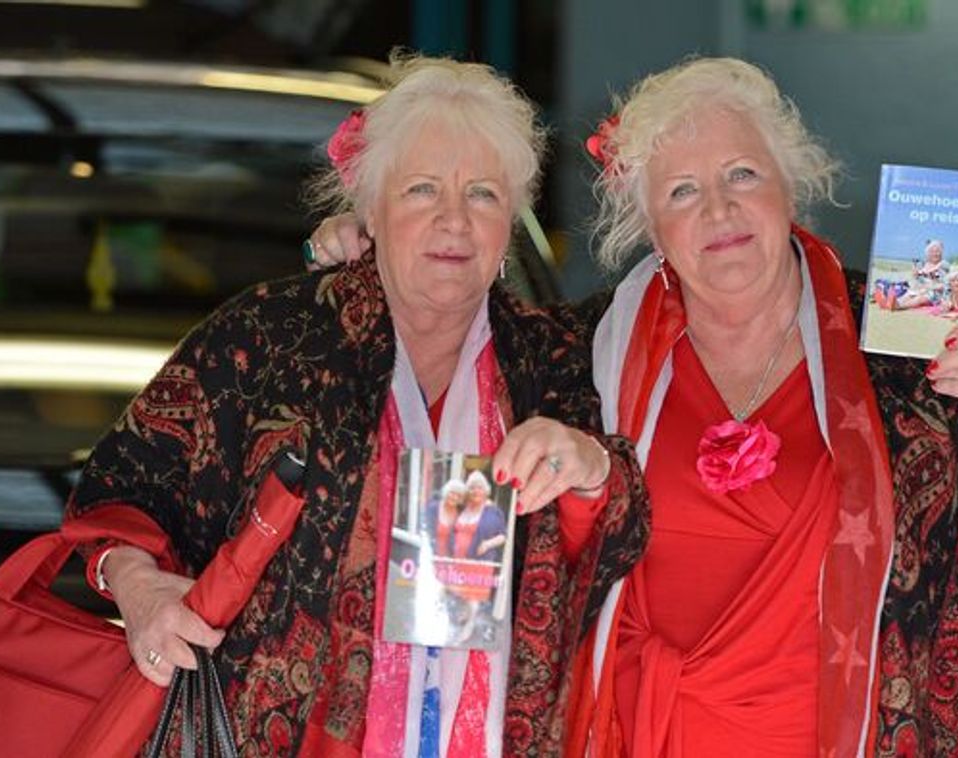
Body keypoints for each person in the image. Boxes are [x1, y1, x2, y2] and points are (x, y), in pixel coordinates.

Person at [306, 58, 958, 757]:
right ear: (649, 225)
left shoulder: (902, 351)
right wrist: (381, 252)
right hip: (634, 733)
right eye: (682, 191)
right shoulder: (585, 356)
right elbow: (449, 356)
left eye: (741, 176)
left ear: (791, 187)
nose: (719, 211)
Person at [66, 54, 648, 757]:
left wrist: (589, 470)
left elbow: (621, 534)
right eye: (422, 190)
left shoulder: (554, 360)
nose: (454, 220)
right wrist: (139, 591)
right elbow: (124, 485)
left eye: (483, 194)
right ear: (370, 208)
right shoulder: (271, 338)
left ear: (511, 225)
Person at [873, 238, 950, 310]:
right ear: (928, 253)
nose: (935, 254)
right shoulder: (924, 264)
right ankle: (889, 303)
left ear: (941, 253)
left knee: (920, 298)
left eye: (937, 251)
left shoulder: (943, 265)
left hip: (936, 292)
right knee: (909, 294)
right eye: (932, 251)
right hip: (921, 289)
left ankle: (898, 306)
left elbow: (941, 281)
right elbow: (918, 279)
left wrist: (924, 278)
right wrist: (916, 275)